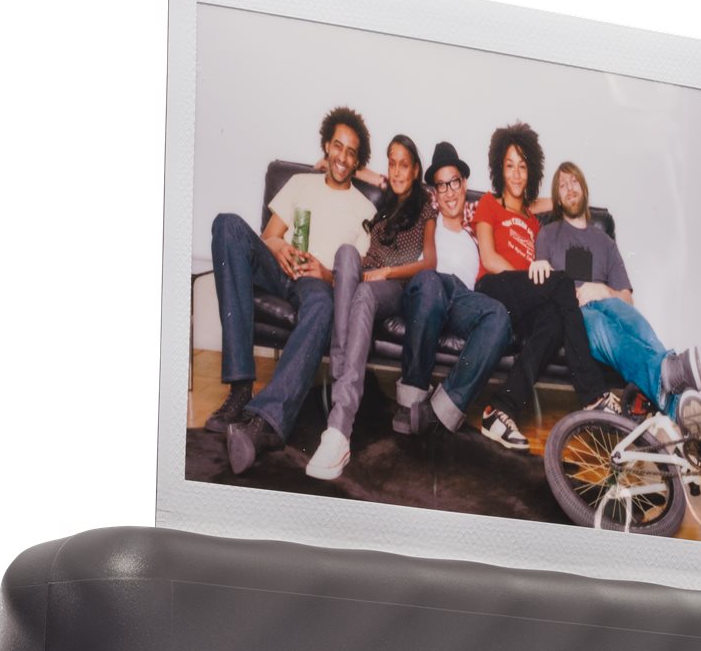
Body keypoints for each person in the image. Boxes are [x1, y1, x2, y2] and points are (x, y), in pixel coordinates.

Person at [205, 106, 377, 474]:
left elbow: (357, 274)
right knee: (227, 225)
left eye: (351, 152)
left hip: (318, 284)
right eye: (337, 146)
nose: (342, 157)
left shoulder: (365, 209)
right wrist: (279, 246)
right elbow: (269, 235)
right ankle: (240, 390)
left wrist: (326, 274)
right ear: (326, 146)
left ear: (357, 160)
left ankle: (265, 421)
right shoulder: (301, 183)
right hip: (280, 269)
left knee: (323, 306)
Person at [534, 160, 701, 436]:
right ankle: (675, 390)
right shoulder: (547, 234)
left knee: (635, 322)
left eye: (574, 181)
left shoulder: (605, 243)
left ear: (584, 189)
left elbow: (626, 299)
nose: (569, 188)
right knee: (601, 325)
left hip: (608, 303)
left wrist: (604, 290)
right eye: (562, 185)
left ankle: (673, 403)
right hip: (574, 313)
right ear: (556, 197)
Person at [470, 122, 619, 441]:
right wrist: (528, 278)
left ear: (532, 172)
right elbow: (489, 258)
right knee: (562, 283)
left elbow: (555, 201)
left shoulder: (532, 219)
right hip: (493, 289)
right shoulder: (489, 204)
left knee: (553, 320)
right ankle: (593, 393)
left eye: (523, 167)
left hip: (522, 303)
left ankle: (500, 410)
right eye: (509, 166)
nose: (516, 174)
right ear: (499, 169)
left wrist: (567, 191)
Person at [306, 133, 435, 481]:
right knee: (347, 252)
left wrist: (387, 272)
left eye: (404, 165)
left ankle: (339, 428)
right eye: (392, 164)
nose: (397, 171)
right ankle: (342, 372)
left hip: (393, 286)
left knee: (363, 293)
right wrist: (328, 163)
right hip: (368, 274)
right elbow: (367, 174)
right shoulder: (385, 203)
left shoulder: (425, 206)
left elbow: (430, 262)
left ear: (416, 169)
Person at [395, 142, 517, 444]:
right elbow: (394, 181)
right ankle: (409, 401)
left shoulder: (476, 223)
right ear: (434, 192)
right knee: (430, 283)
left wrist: (556, 200)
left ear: (464, 184)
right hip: (426, 288)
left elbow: (515, 201)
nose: (449, 192)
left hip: (461, 299)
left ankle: (439, 411)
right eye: (441, 185)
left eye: (454, 183)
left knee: (498, 315)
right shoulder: (426, 214)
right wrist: (359, 171)